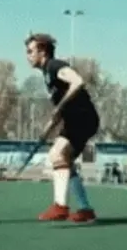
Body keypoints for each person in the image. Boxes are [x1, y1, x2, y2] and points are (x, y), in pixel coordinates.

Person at [25, 32, 99, 223]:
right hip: (73, 120)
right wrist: (48, 128)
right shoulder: (47, 74)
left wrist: (60, 107)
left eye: (30, 51)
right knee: (65, 162)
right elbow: (60, 110)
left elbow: (78, 82)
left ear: (43, 51)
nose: (28, 56)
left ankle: (60, 207)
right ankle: (85, 209)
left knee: (56, 154)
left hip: (83, 118)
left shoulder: (54, 66)